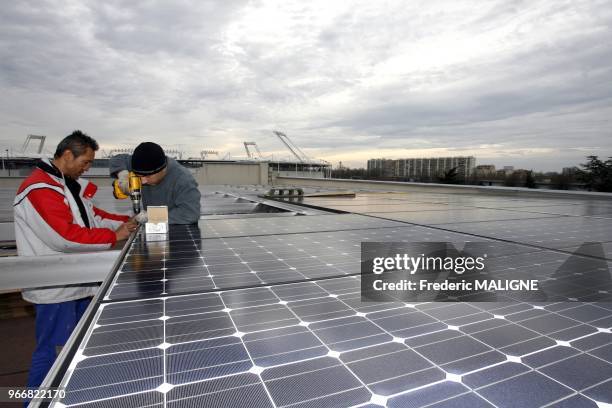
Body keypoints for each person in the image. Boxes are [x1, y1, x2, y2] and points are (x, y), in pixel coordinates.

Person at [13, 130, 137, 391]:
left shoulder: (67, 185)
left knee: (78, 349)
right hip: (56, 287)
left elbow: (94, 217)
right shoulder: (40, 188)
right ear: (68, 155)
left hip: (77, 280)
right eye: (86, 162)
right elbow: (64, 236)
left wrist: (128, 222)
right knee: (55, 353)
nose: (88, 168)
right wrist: (114, 235)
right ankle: (36, 401)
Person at [110, 142, 201, 224]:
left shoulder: (183, 179)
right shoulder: (140, 162)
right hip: (152, 227)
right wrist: (122, 175)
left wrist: (152, 216)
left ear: (162, 169)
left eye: (148, 176)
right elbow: (117, 159)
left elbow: (190, 213)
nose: (143, 181)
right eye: (139, 176)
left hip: (176, 227)